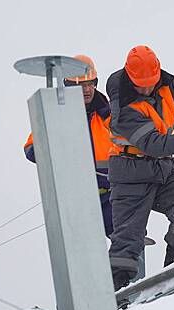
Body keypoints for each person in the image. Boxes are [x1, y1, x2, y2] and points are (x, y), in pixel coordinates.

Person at [105, 45, 174, 291]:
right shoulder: (124, 109)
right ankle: (115, 297)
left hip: (162, 171)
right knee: (127, 243)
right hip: (130, 176)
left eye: (150, 82)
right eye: (141, 84)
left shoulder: (161, 84)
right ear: (130, 79)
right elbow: (154, 144)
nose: (146, 88)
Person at [23, 55, 115, 237]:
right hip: (77, 198)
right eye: (81, 85)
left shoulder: (108, 114)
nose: (87, 90)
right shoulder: (58, 115)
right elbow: (31, 149)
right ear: (70, 86)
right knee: (83, 252)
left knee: (127, 239)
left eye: (90, 84)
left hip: (109, 196)